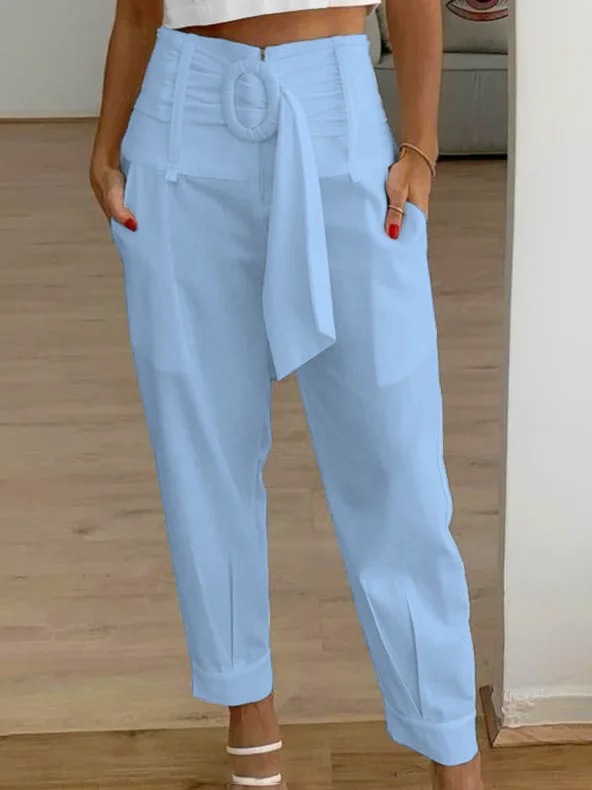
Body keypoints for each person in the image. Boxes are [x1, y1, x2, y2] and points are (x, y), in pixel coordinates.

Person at [89, 1, 485, 788]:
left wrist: (422, 145)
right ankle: (248, 706)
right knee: (204, 448)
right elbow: (138, 9)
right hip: (183, 123)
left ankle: (451, 744)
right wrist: (104, 149)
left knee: (397, 459)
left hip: (337, 113)